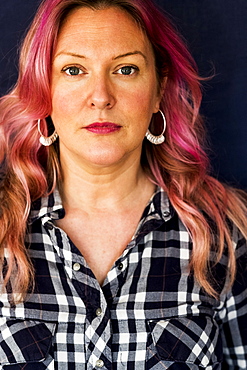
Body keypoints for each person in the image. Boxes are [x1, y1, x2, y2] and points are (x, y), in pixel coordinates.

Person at [0, 0, 246, 368]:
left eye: (126, 69)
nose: (101, 96)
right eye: (73, 69)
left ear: (159, 88)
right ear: (43, 90)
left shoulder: (224, 233)